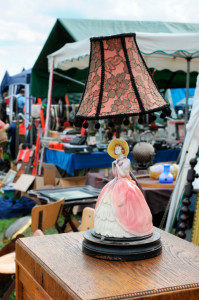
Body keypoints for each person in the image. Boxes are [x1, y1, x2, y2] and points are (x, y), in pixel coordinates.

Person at [94, 138, 153, 238]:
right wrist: (115, 165)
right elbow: (115, 174)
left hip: (124, 183)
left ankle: (127, 228)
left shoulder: (127, 161)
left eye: (118, 149)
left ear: (122, 150)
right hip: (116, 182)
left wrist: (117, 165)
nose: (116, 151)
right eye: (115, 149)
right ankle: (108, 230)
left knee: (124, 203)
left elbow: (124, 174)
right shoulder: (117, 161)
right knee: (107, 199)